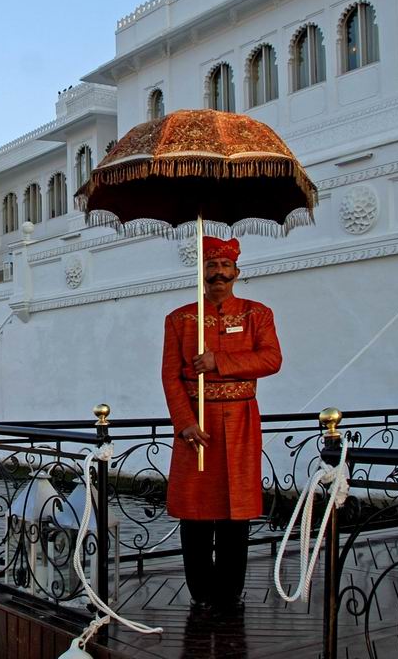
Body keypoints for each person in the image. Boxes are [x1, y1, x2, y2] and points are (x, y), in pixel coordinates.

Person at [161, 236, 282, 611]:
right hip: (197, 424)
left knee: (237, 510)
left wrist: (219, 362)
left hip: (241, 420)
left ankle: (230, 593)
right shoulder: (180, 319)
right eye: (212, 267)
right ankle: (200, 593)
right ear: (202, 273)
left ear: (236, 272)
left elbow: (271, 359)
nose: (218, 274)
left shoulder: (256, 314)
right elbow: (170, 377)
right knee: (195, 511)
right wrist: (184, 424)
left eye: (225, 267)